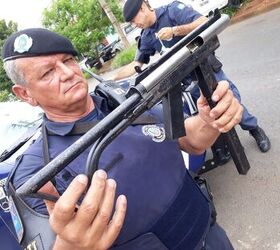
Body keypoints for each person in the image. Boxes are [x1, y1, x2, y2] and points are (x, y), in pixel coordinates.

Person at [2, 28, 243, 249]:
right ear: (25, 94)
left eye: (68, 60)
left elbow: (190, 140)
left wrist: (211, 119)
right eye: (48, 73)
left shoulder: (126, 98)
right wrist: (71, 245)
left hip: (211, 234)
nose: (67, 73)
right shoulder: (33, 172)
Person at [115, 0, 271, 157]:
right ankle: (230, 145)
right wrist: (114, 79)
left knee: (228, 102)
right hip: (188, 81)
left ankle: (254, 129)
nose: (135, 25)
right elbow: (137, 63)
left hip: (205, 68)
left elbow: (203, 22)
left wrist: (175, 31)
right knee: (211, 114)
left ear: (142, 8)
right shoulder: (147, 36)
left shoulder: (172, 11)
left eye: (135, 20)